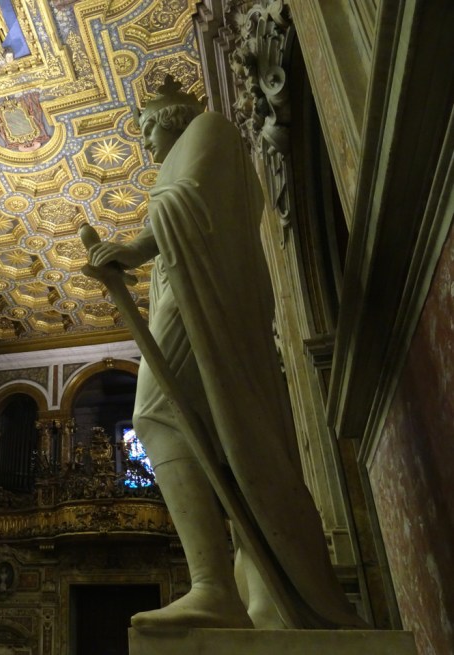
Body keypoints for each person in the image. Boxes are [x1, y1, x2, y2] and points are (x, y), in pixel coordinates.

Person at [88, 76, 362, 630]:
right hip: (188, 289)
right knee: (213, 439)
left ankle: (213, 587)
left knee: (155, 413)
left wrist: (135, 248)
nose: (143, 140)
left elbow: (192, 204)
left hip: (202, 297)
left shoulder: (210, 128)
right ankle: (240, 583)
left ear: (172, 117)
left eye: (146, 126)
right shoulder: (199, 144)